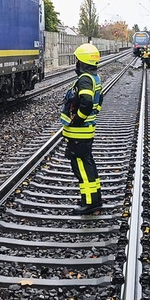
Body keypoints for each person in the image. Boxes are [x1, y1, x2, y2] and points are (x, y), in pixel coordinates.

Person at [60, 43, 103, 214]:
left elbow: (86, 103)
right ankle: (95, 198)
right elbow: (98, 102)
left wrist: (77, 120)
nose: (75, 61)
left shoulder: (85, 79)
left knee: (82, 169)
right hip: (86, 132)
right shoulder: (95, 78)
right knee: (88, 164)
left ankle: (90, 203)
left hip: (80, 132)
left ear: (82, 61)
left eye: (77, 59)